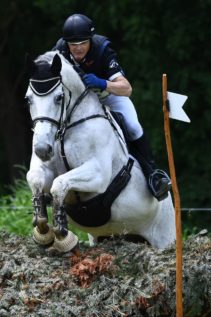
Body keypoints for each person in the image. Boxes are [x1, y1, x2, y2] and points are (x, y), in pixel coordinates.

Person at [53, 13, 171, 200]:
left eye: (82, 43)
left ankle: (153, 175)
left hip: (108, 96)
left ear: (90, 40)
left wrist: (102, 83)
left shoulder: (102, 50)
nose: (77, 48)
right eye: (73, 44)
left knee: (133, 126)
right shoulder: (60, 50)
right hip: (78, 103)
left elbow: (127, 89)